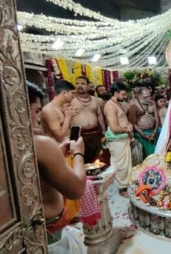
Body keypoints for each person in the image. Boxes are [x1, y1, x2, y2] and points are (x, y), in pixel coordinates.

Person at [27, 81, 86, 253]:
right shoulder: (40, 143)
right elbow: (76, 190)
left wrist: (57, 154)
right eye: (37, 111)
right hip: (50, 239)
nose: (39, 117)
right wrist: (79, 154)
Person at [40, 79, 81, 222]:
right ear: (64, 93)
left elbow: (69, 129)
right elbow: (59, 134)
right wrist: (68, 117)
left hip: (67, 149)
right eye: (72, 94)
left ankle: (72, 214)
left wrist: (70, 117)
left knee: (71, 183)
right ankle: (65, 216)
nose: (73, 97)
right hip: (57, 152)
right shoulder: (48, 110)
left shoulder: (61, 108)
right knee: (62, 186)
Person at [103, 82, 134, 197]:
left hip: (123, 138)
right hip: (117, 139)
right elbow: (114, 127)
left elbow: (123, 119)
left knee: (125, 164)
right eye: (123, 94)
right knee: (120, 165)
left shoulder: (117, 103)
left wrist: (129, 126)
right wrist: (128, 129)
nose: (125, 96)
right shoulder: (110, 106)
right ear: (116, 93)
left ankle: (125, 185)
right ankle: (122, 189)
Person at [71, 76, 106, 164]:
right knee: (81, 159)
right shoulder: (71, 100)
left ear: (88, 86)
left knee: (97, 159)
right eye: (77, 83)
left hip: (95, 133)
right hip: (79, 134)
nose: (79, 86)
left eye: (82, 84)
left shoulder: (95, 100)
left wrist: (104, 130)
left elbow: (99, 115)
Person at [128, 87, 159, 159]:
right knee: (144, 156)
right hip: (141, 133)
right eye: (146, 97)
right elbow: (133, 123)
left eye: (149, 96)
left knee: (154, 155)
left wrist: (154, 131)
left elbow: (157, 118)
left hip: (152, 132)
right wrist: (144, 135)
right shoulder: (134, 105)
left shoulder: (152, 103)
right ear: (139, 96)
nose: (148, 98)